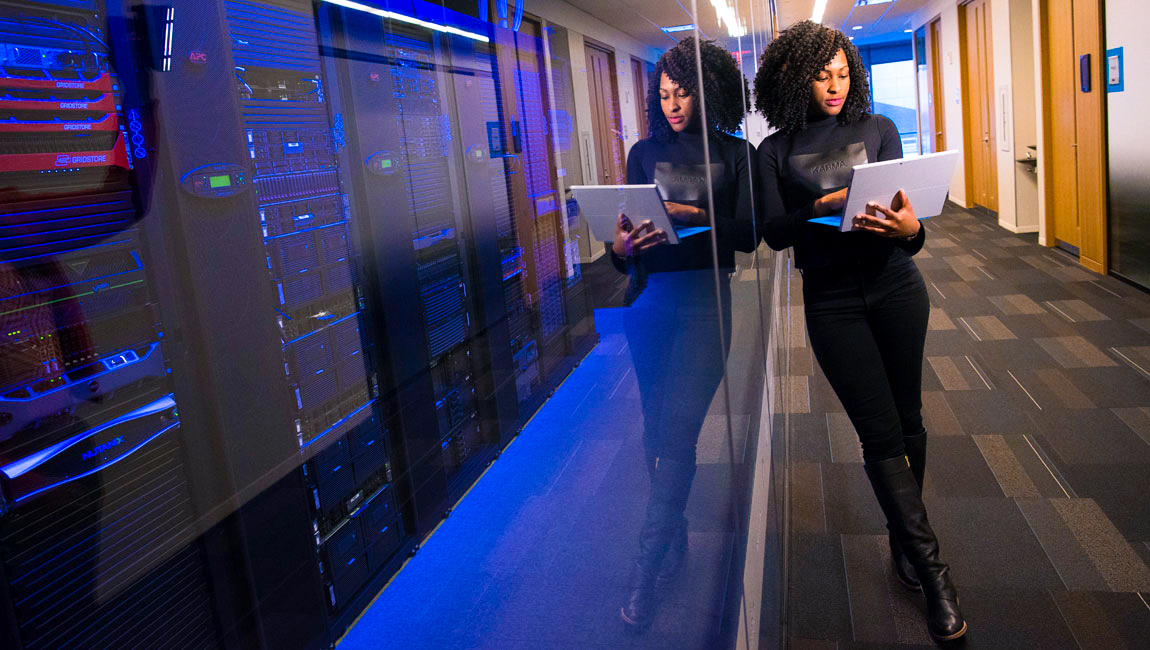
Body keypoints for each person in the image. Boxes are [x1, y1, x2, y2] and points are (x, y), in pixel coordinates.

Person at [753, 20, 966, 642]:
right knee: (878, 433)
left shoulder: (879, 130)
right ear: (796, 77)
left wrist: (912, 231)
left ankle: (905, 540)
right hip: (832, 300)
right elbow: (772, 231)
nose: (835, 85)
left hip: (897, 286)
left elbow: (910, 223)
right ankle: (934, 576)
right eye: (822, 75)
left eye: (844, 73)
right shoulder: (775, 150)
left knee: (909, 419)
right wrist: (819, 208)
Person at [610, 36, 757, 629]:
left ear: (708, 89)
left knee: (678, 435)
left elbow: (749, 236)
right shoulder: (642, 153)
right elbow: (623, 251)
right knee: (654, 432)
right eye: (664, 94)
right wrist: (621, 247)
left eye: (683, 92)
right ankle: (674, 538)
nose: (673, 104)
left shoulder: (734, 152)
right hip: (650, 305)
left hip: (706, 306)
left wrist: (697, 216)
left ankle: (646, 571)